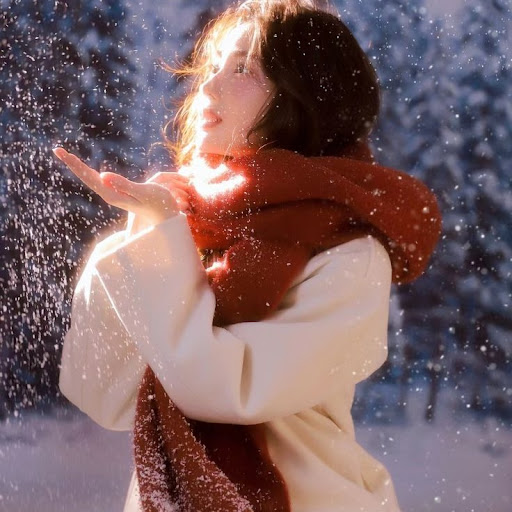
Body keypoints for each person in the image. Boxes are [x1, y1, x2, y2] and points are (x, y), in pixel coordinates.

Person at [55, 1, 441, 511]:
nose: (208, 86)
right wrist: (147, 227)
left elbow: (226, 390)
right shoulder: (191, 227)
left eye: (242, 69)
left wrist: (162, 240)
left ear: (303, 98)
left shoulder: (350, 256)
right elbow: (103, 393)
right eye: (212, 66)